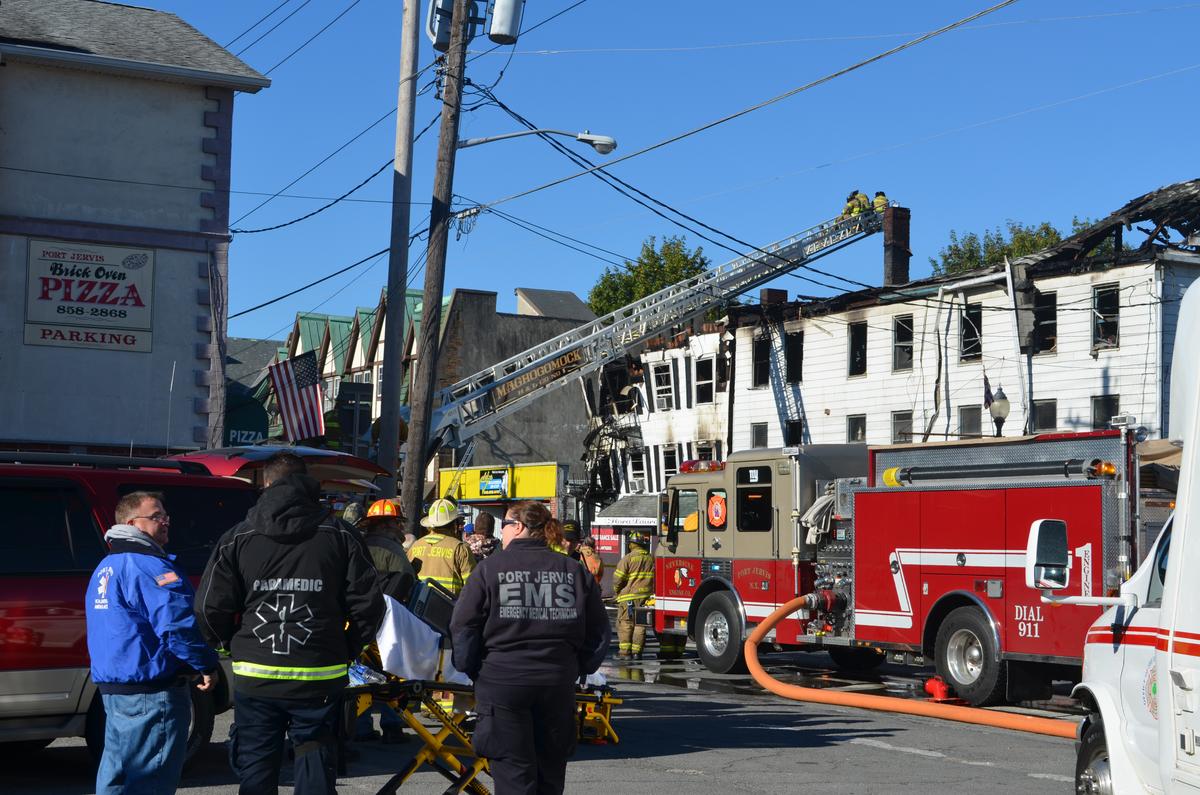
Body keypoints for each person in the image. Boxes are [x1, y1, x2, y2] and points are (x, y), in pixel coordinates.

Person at [197, 451, 383, 795]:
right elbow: (369, 604)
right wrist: (346, 648)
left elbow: (209, 607)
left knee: (256, 767)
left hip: (256, 674)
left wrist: (228, 644)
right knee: (315, 761)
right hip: (318, 674)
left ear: (266, 485)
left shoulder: (238, 537)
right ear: (307, 483)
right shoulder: (340, 535)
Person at [449, 501, 609, 795]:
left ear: (519, 526)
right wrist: (578, 667)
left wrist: (472, 669)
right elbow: (598, 631)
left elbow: (463, 626)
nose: (503, 532)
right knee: (550, 774)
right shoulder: (573, 571)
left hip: (503, 683)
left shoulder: (490, 569)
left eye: (505, 525)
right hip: (556, 684)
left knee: (514, 776)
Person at [86, 491, 217, 795]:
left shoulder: (106, 566)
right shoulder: (149, 566)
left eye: (165, 515)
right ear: (133, 524)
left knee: (117, 778)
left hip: (115, 690)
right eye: (156, 516)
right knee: (150, 781)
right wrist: (205, 664)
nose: (165, 521)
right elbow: (177, 626)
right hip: (152, 692)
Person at [407, 498, 476, 597]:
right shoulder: (460, 549)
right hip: (449, 605)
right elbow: (473, 588)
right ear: (454, 524)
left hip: (418, 604)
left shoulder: (415, 546)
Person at [613, 531, 655, 660]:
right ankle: (637, 652)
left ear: (632, 544)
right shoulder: (651, 558)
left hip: (629, 597)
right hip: (646, 597)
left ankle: (625, 653)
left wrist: (617, 591)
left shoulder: (628, 558)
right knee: (640, 625)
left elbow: (618, 579)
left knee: (626, 624)